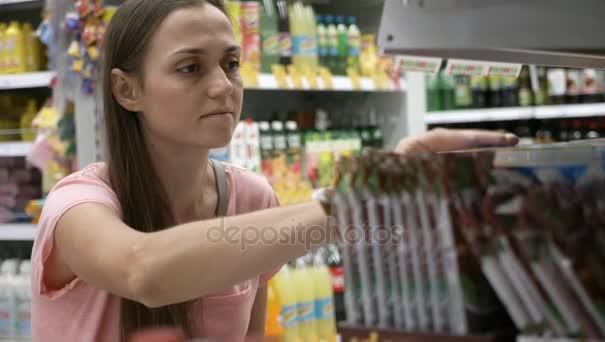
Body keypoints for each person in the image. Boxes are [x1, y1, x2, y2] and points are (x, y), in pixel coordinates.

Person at [29, 0, 519, 340]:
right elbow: (143, 271)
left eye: (232, 63)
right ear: (126, 90)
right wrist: (365, 193)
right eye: (189, 68)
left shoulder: (252, 197)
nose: (223, 86)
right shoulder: (76, 205)